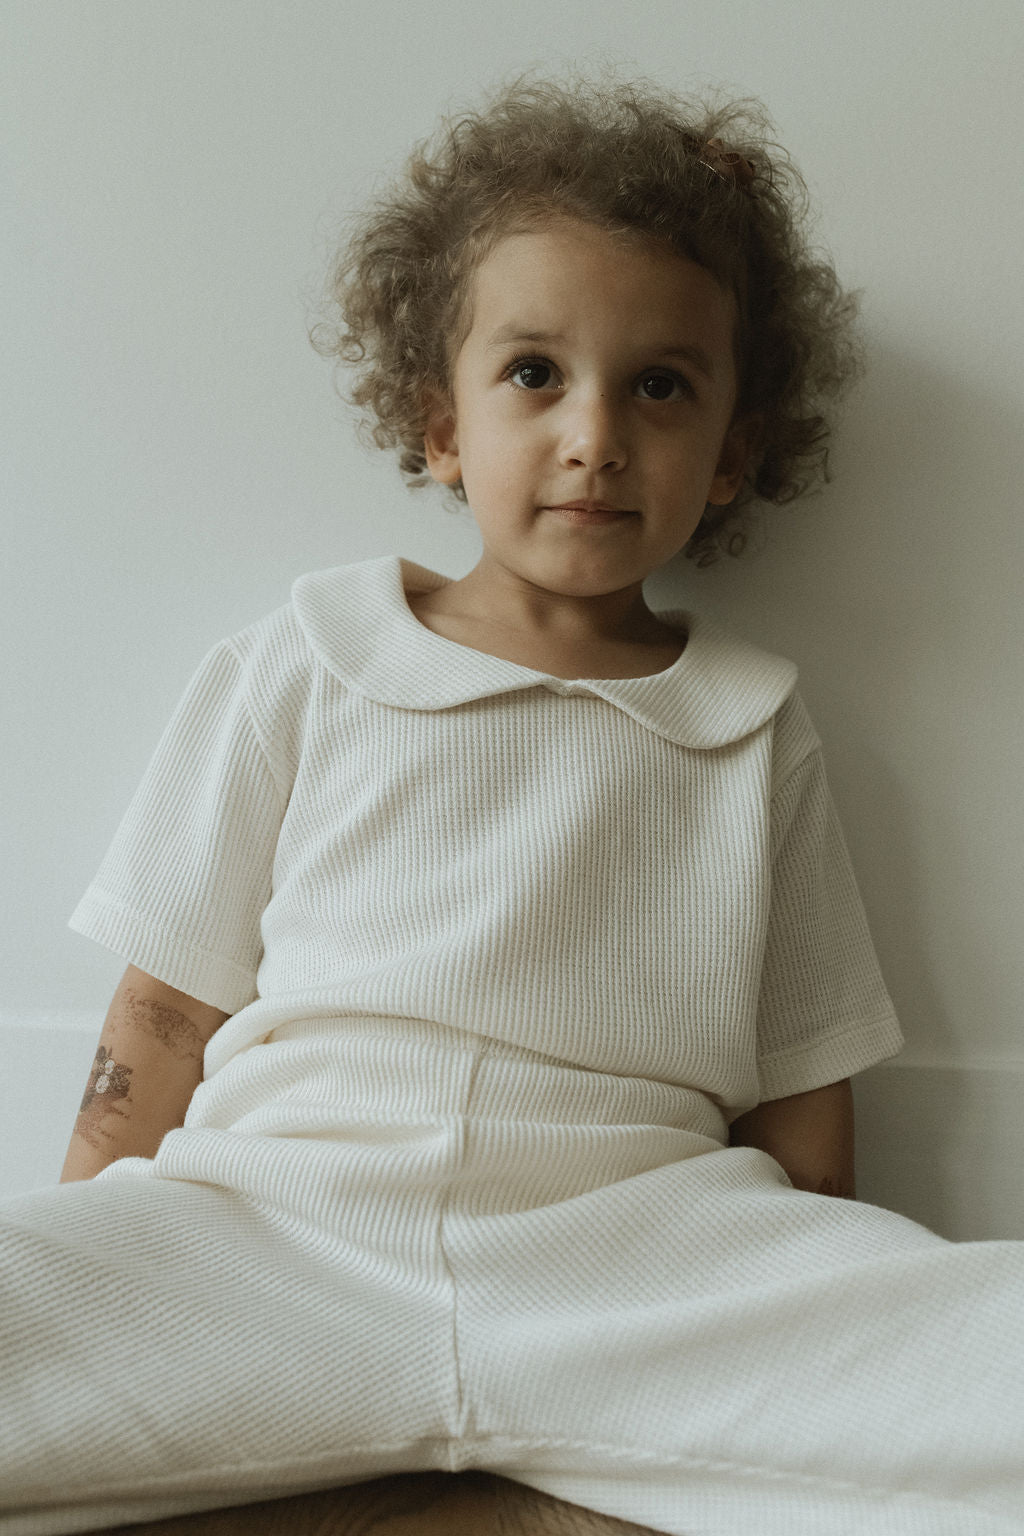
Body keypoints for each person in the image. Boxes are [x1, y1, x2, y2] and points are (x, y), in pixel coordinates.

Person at [3, 69, 1022, 1536]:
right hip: (281, 1229)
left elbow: (806, 1089)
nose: (594, 434)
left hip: (644, 1263)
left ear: (733, 452)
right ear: (441, 425)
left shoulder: (754, 724)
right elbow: (162, 1013)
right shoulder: (307, 659)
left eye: (660, 385)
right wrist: (95, 1256)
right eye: (535, 374)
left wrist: (821, 1311)